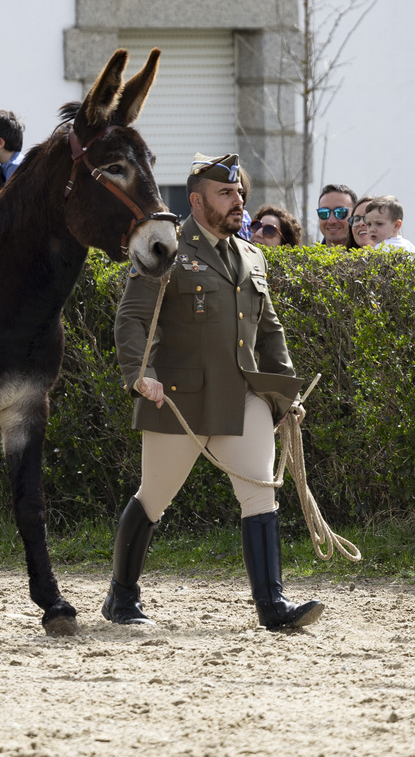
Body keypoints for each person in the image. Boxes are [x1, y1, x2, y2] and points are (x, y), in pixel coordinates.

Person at [106, 153, 324, 631]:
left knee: (260, 493)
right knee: (154, 499)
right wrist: (139, 373)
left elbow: (269, 331)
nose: (238, 201)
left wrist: (285, 395)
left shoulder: (251, 255)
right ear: (197, 200)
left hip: (243, 395)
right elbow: (132, 318)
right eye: (226, 194)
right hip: (178, 399)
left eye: (239, 193)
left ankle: (272, 605)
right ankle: (121, 597)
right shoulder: (166, 247)